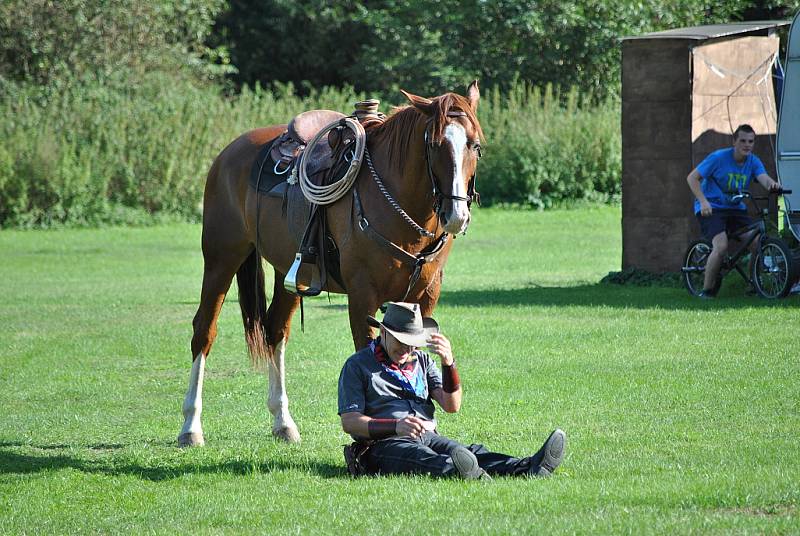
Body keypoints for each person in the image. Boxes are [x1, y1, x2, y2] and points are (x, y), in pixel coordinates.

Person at [337, 301, 566, 479]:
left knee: (469, 452)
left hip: (427, 435)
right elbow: (350, 422)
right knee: (424, 458)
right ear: (383, 332)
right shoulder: (358, 365)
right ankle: (468, 474)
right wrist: (396, 426)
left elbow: (451, 404)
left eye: (412, 341)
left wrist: (449, 363)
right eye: (401, 340)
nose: (407, 348)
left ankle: (528, 468)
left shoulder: (423, 361)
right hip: (384, 444)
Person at [686, 124, 780, 298]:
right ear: (734, 142)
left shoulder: (753, 161)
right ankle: (707, 291)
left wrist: (773, 185)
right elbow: (692, 178)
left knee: (757, 242)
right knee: (721, 246)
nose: (747, 145)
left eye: (750, 141)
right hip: (712, 208)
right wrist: (703, 201)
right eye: (743, 141)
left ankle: (754, 284)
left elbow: (763, 178)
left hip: (736, 209)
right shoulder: (718, 158)